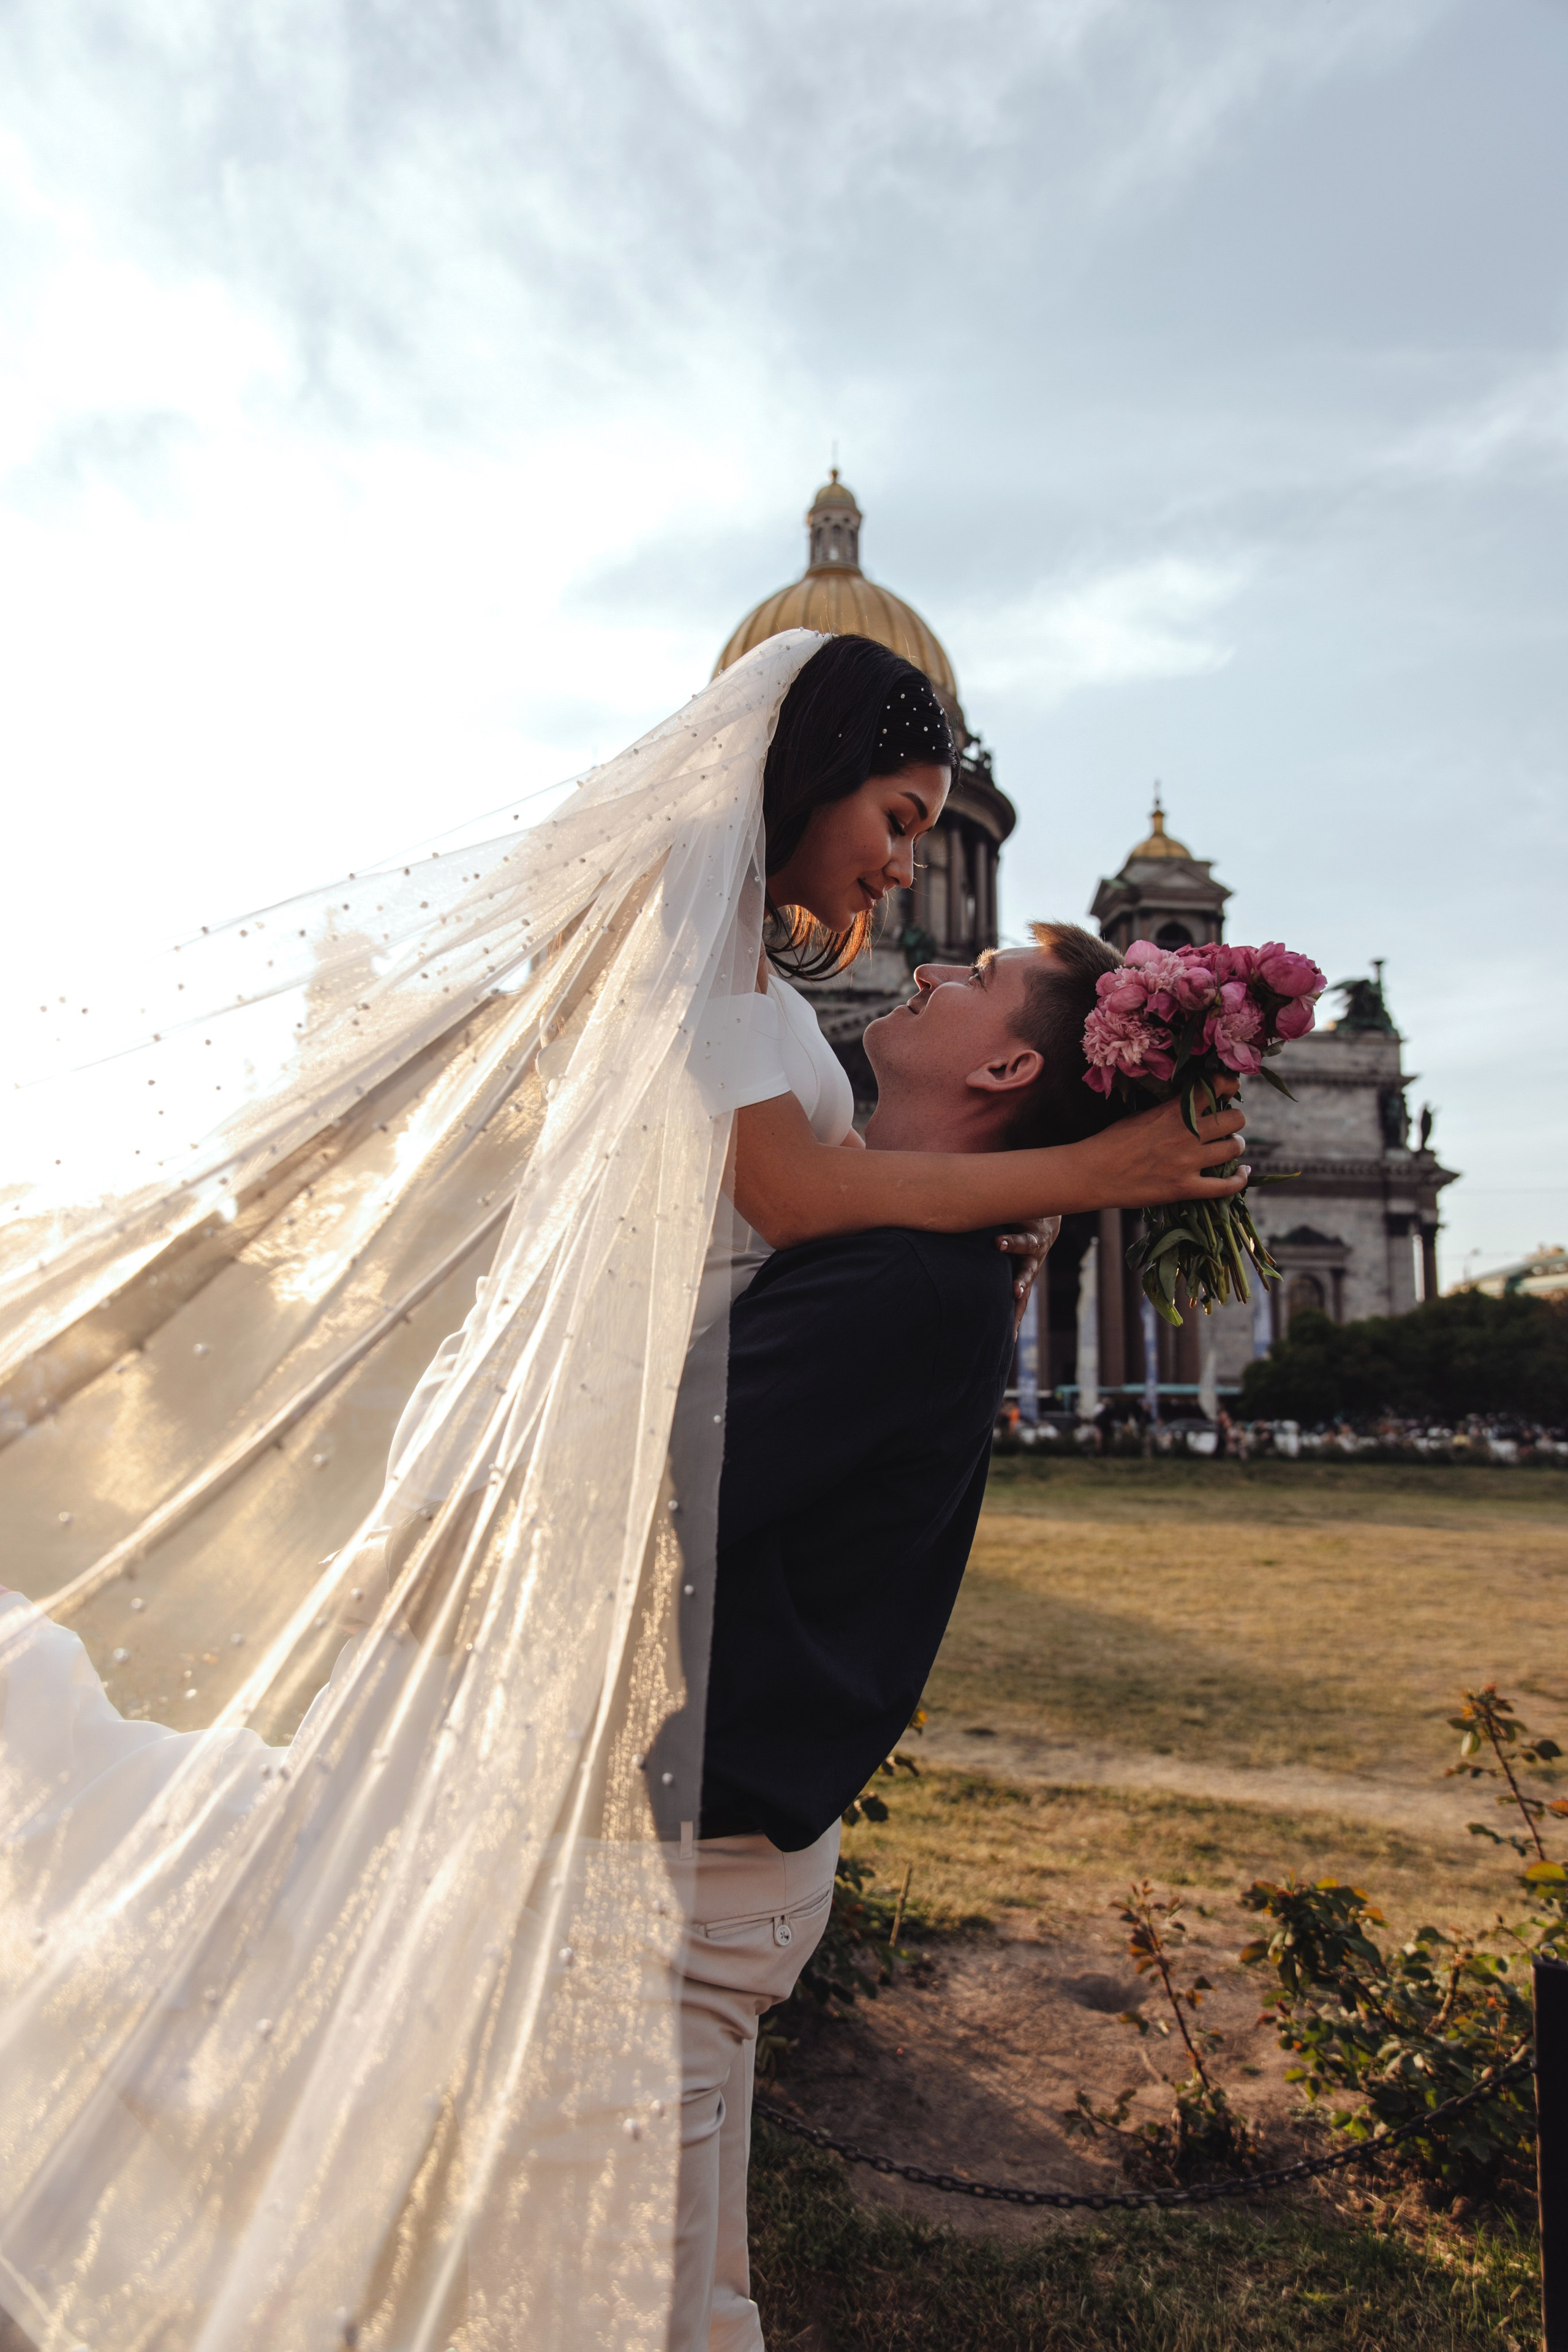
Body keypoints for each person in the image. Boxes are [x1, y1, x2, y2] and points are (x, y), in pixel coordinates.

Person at [0, 629, 1246, 2352]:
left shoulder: (848, 1112)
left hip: (657, 1777)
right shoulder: (715, 959)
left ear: (1013, 1066)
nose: (911, 888)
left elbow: (848, 1223)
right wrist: (1085, 1173)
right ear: (803, 780)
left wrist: (1028, 1206)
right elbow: (808, 1206)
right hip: (626, 1737)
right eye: (897, 816)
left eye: (930, 832)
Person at [667, 923, 1123, 2352]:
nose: (924, 963)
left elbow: (648, 1497)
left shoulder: (901, 1279)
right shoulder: (907, 1240)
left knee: (629, 2304)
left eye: (973, 974)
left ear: (1004, 1060)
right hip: (718, 1845)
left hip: (687, 1867)